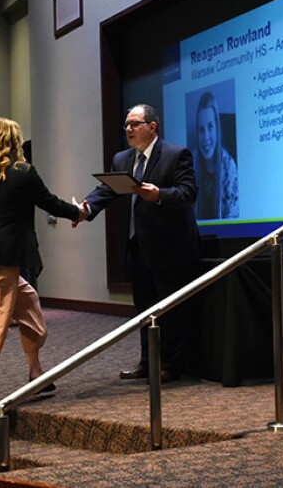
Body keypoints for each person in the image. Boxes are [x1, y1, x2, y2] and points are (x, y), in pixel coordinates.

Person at [0, 117, 85, 441]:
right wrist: (77, 212)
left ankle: (36, 372)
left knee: (28, 305)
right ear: (14, 142)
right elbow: (49, 202)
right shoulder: (22, 173)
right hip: (2, 264)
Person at [77, 104, 201, 385]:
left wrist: (159, 195)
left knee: (171, 310)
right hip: (138, 247)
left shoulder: (175, 154)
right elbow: (106, 190)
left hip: (171, 248)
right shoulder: (122, 159)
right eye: (126, 125)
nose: (128, 130)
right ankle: (147, 362)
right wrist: (85, 210)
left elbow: (188, 193)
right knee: (144, 310)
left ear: (152, 127)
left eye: (134, 124)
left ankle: (171, 365)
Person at [193, 91, 239, 219]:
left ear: (217, 128)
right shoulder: (190, 163)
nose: (206, 137)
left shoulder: (229, 167)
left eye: (210, 127)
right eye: (201, 129)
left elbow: (233, 220)